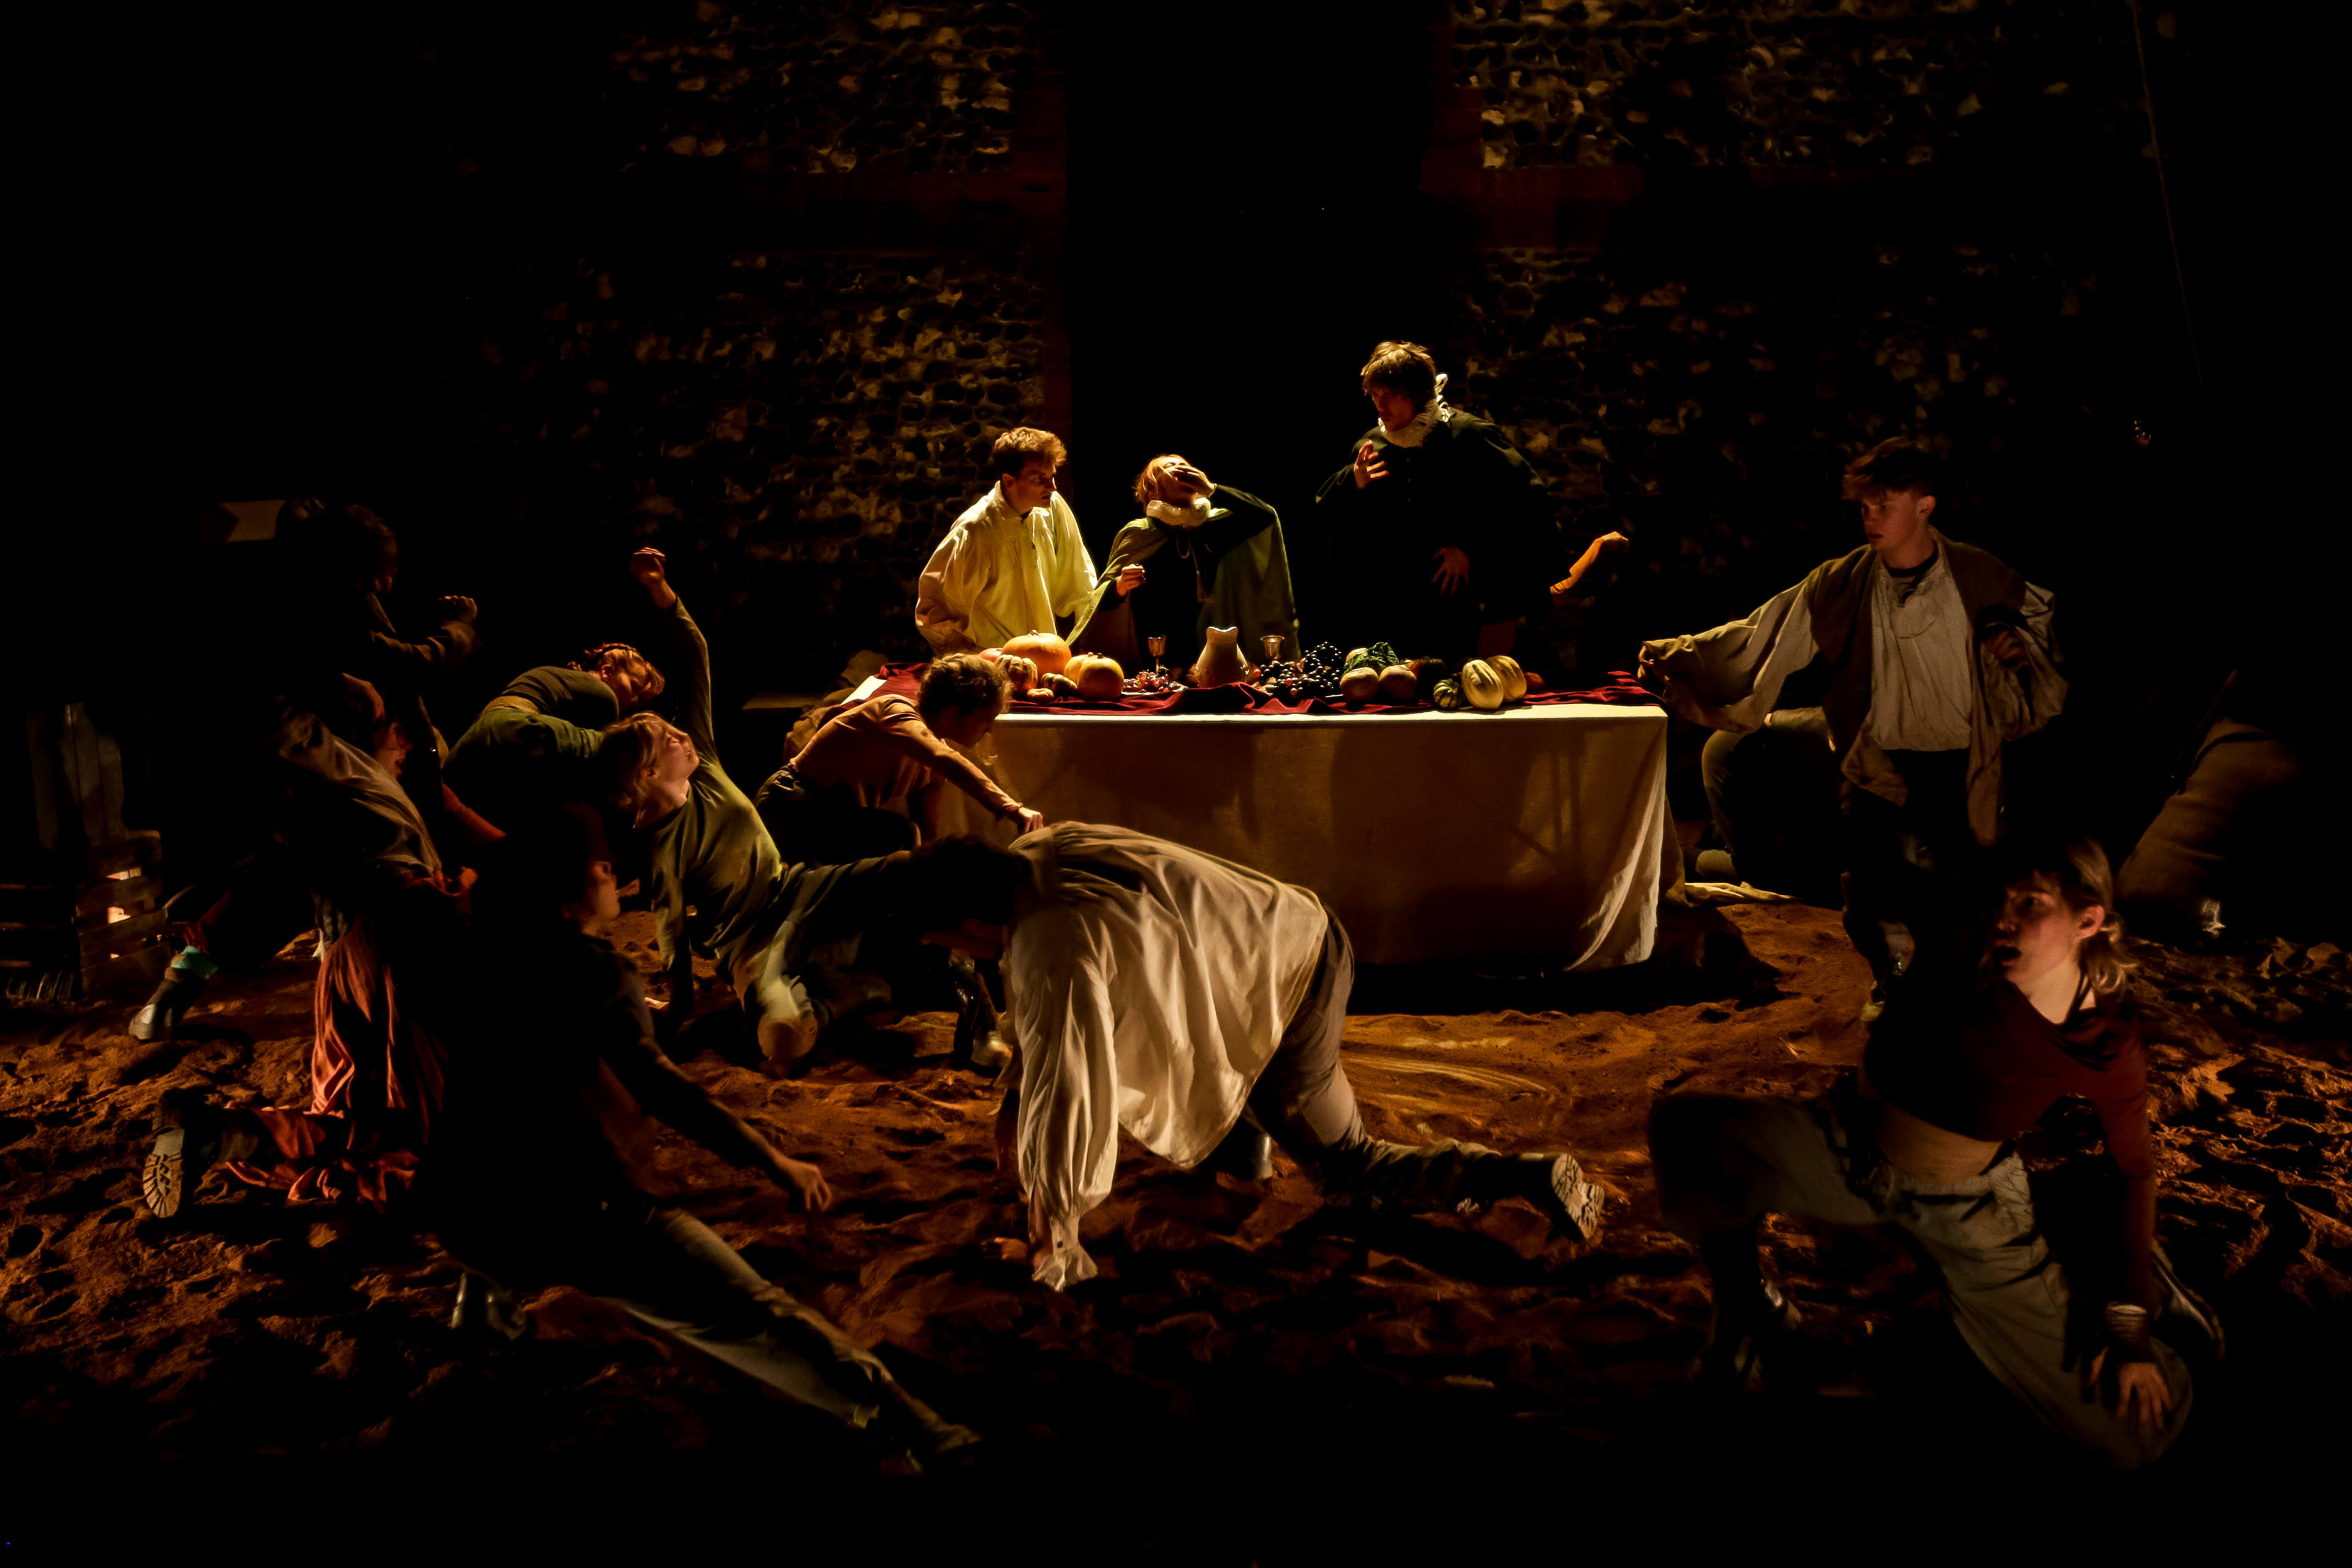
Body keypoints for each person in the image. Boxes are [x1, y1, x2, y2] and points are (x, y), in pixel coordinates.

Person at [420, 807, 977, 1469]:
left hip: (462, 1208)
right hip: (579, 1215)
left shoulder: (474, 959)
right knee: (756, 1316)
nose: (612, 873)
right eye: (597, 867)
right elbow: (660, 1085)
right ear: (564, 898)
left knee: (505, 1179)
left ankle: (483, 1308)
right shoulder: (592, 968)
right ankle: (927, 1434)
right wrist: (770, 1158)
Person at [1647, 830, 2218, 1470]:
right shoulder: (1963, 930)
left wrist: (2131, 1331)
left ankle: (2157, 1302)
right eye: (2001, 899)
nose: (2005, 918)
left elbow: (2136, 1170)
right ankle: (1749, 1305)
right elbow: (1875, 868)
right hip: (1848, 1151)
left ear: (2088, 922)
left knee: (2129, 1439)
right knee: (1687, 1127)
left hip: (1965, 1211)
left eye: (2031, 904)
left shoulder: (2102, 1038)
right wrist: (1892, 956)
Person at [895, 824, 1608, 1291]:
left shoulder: (1051, 945)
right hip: (1273, 938)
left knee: (1348, 1170)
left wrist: (1052, 1242)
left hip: (1289, 987)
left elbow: (1069, 1091)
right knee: (1189, 1052)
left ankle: (1527, 1174)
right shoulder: (1040, 851)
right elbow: (1057, 1028)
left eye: (949, 941)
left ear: (975, 920)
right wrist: (1012, 1100)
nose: (961, 956)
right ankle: (1245, 1156)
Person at [1638, 438, 2064, 1000]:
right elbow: (1762, 634)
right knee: (1871, 889)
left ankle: (1960, 996)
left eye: (1884, 504)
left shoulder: (1975, 574)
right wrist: (1675, 657)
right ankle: (1893, 984)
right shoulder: (1841, 583)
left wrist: (2016, 648)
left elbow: (2038, 623)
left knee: (1960, 889)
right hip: (1874, 763)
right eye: (1864, 506)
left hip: (1958, 765)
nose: (1870, 517)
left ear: (1925, 506)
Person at [1311, 341, 1561, 661]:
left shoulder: (1468, 436)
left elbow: (1525, 501)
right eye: (1375, 395)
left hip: (1449, 601)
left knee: (1451, 681)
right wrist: (1352, 482)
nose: (1381, 405)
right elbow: (1331, 519)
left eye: (1391, 394)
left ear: (1417, 394)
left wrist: (1470, 550)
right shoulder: (1371, 447)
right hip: (1386, 607)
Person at [754, 652, 1045, 865]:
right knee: (894, 835)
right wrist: (1010, 807)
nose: (990, 729)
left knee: (908, 846)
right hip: (791, 802)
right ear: (955, 711)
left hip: (833, 816)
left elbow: (927, 829)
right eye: (987, 719)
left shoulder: (932, 766)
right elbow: (943, 757)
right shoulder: (894, 710)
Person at [442, 570, 673, 832]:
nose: (635, 700)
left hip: (479, 744)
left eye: (641, 699)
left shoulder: (563, 687)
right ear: (607, 671)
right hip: (512, 728)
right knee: (623, 751)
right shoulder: (601, 693)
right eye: (635, 687)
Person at [1066, 454, 1297, 671]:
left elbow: (1265, 515)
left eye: (1185, 466)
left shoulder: (1213, 527)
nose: (1182, 469)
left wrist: (1212, 489)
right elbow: (1099, 601)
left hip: (1208, 651)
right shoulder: (1140, 533)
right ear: (1154, 489)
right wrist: (1120, 586)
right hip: (1155, 654)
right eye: (1170, 467)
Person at [914, 427, 1099, 656]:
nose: (1052, 487)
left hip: (1045, 656)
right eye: (1039, 479)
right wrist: (973, 658)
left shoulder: (1052, 507)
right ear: (1010, 481)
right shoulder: (976, 530)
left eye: (1052, 476)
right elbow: (935, 608)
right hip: (996, 662)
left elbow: (1078, 576)